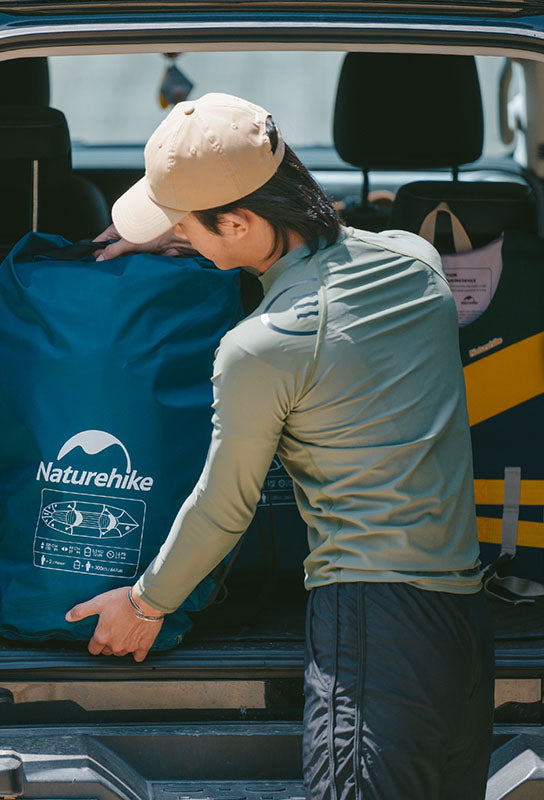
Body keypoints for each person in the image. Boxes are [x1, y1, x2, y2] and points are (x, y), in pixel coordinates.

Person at [64, 92, 494, 799]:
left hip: (372, 635)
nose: (176, 234)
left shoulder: (260, 348)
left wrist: (144, 605)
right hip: (461, 627)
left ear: (237, 223)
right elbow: (327, 257)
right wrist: (196, 238)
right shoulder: (418, 263)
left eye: (183, 225)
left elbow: (224, 506)